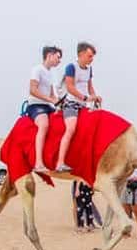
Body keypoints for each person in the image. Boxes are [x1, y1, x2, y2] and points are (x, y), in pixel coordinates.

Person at [56, 42, 101, 173]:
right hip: (71, 104)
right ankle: (60, 162)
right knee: (71, 129)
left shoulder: (89, 69)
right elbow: (70, 87)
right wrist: (86, 98)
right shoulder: (71, 67)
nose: (91, 59)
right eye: (89, 56)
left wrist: (94, 96)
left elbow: (89, 87)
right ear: (81, 54)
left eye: (92, 56)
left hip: (83, 104)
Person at [26, 46, 62, 172]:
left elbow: (53, 95)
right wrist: (49, 99)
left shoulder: (51, 73)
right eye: (58, 57)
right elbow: (33, 90)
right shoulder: (37, 70)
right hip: (35, 105)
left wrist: (58, 102)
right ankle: (38, 162)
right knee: (44, 125)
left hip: (48, 105)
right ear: (49, 55)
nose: (59, 61)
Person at [122, 168, 137, 239]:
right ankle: (128, 232)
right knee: (126, 212)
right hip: (124, 187)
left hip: (134, 188)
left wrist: (135, 178)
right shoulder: (124, 163)